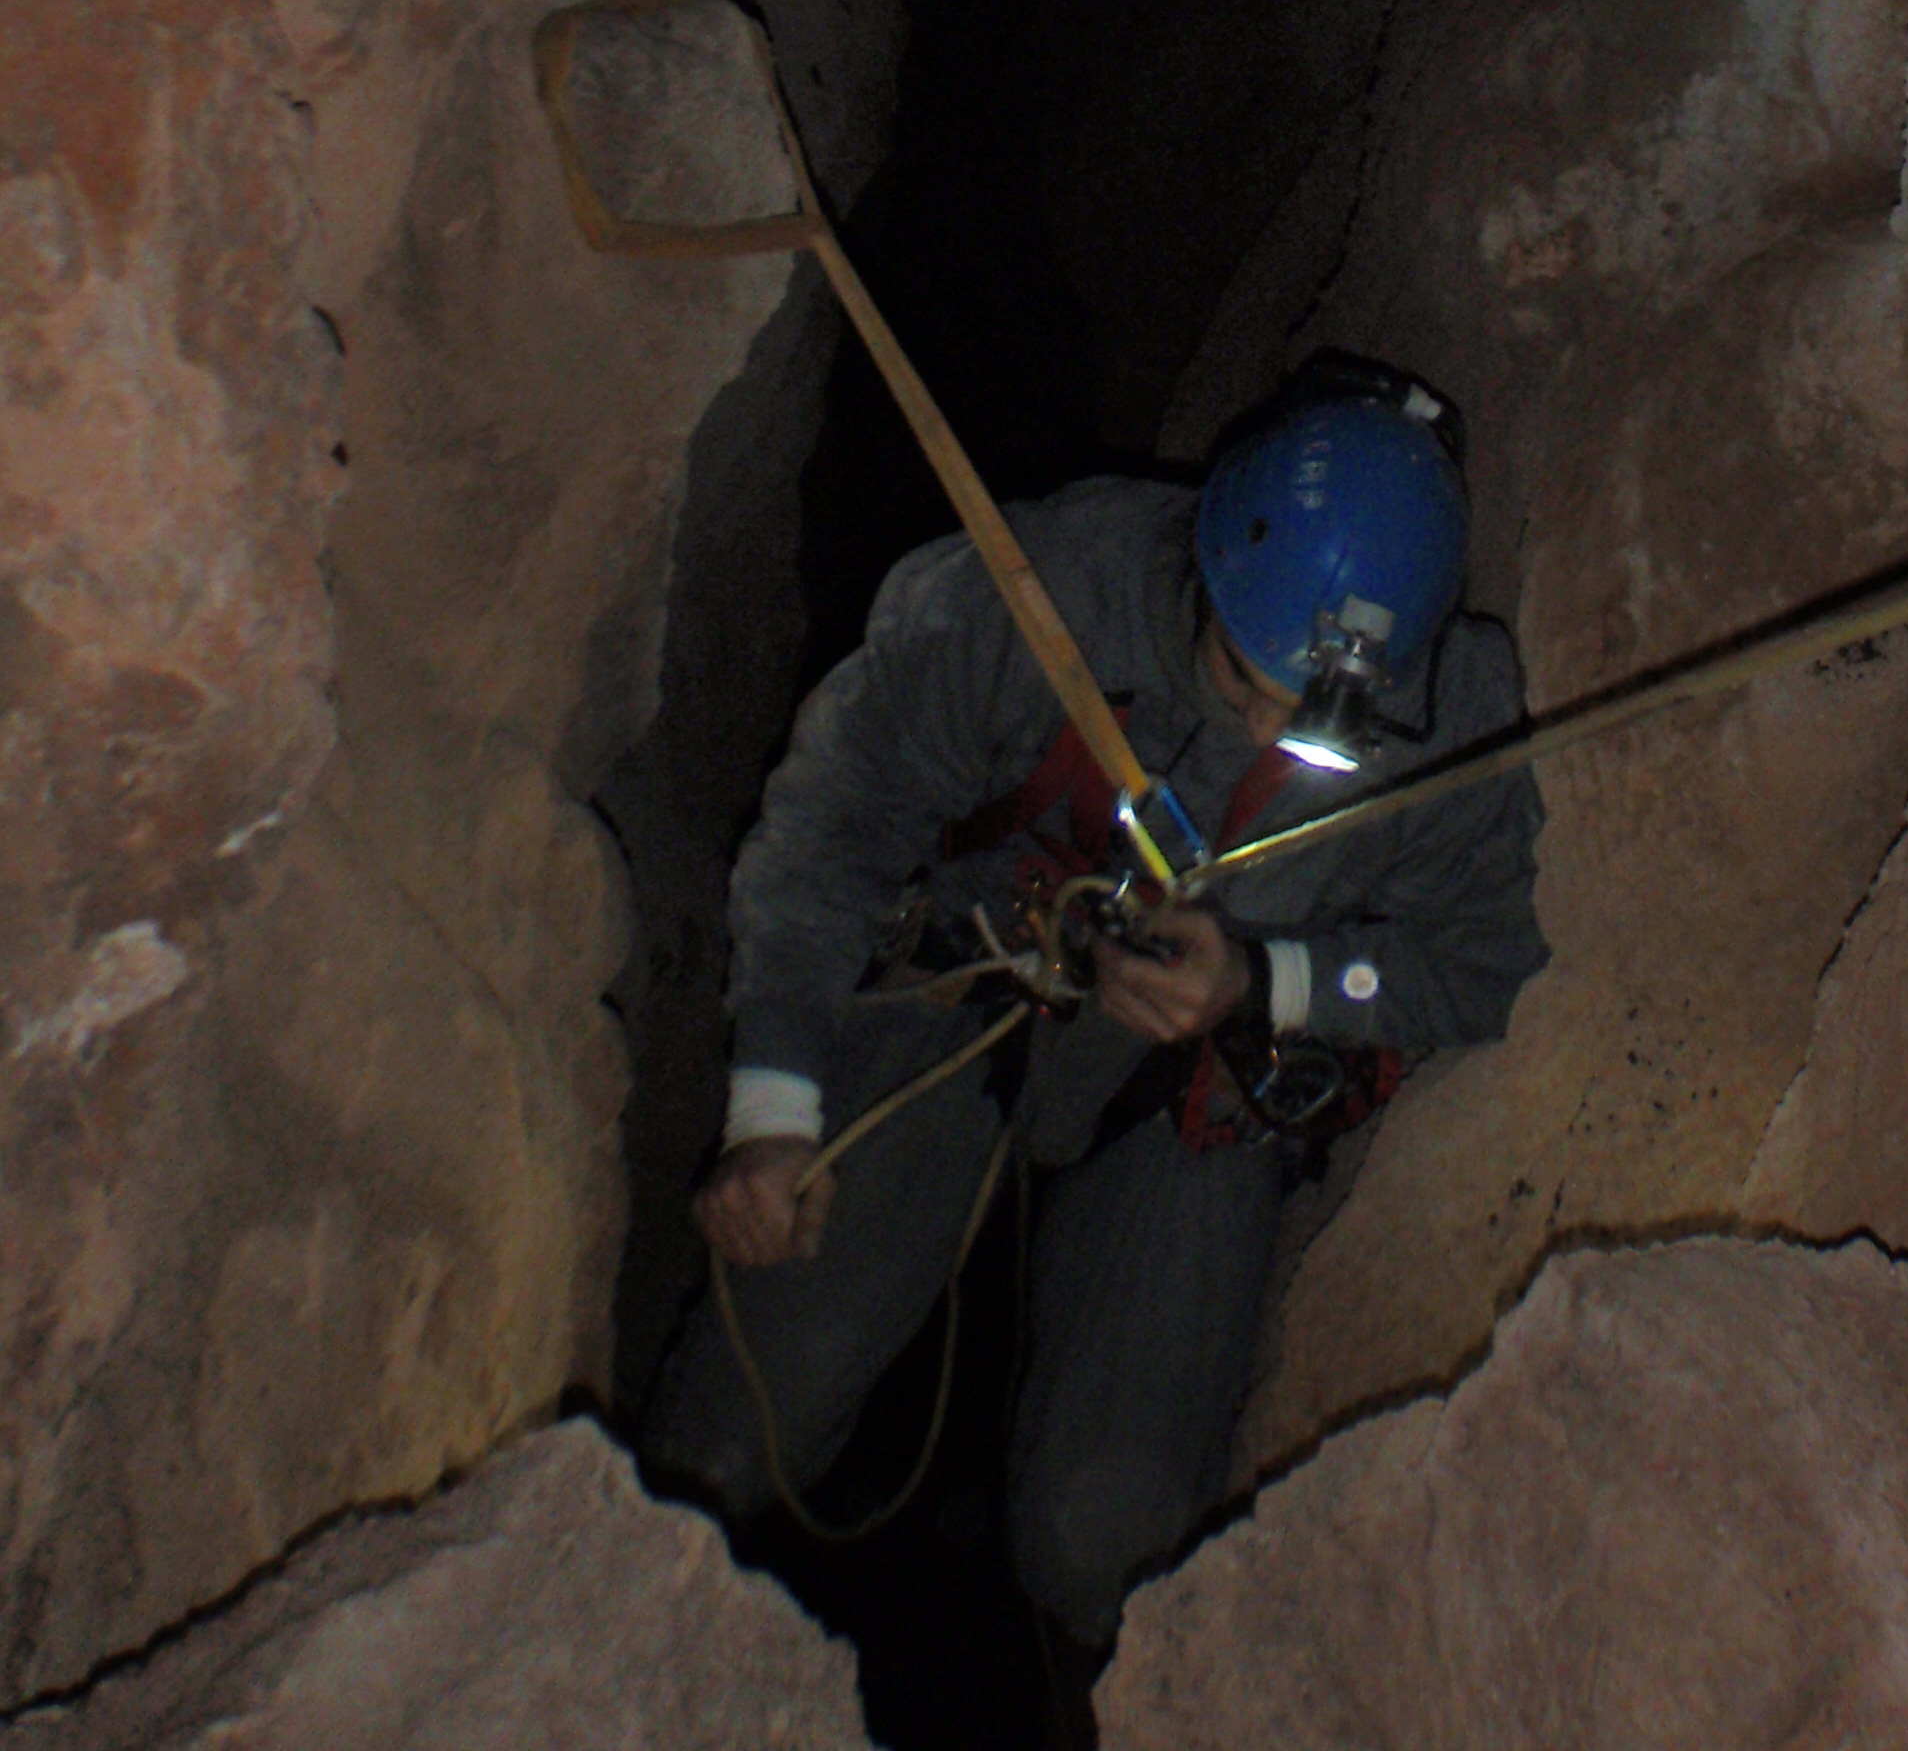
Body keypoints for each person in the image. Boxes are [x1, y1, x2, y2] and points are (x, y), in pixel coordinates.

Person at [640, 355, 1546, 1654]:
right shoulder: (1039, 600)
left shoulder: (1446, 725)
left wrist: (1276, 981)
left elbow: (1489, 961)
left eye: (1312, 721)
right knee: (740, 1427)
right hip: (972, 986)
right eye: (1245, 683)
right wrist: (771, 1107)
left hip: (1192, 1083)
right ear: (1207, 579)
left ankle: (1095, 1722)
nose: (1271, 733)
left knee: (1105, 1544)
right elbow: (832, 828)